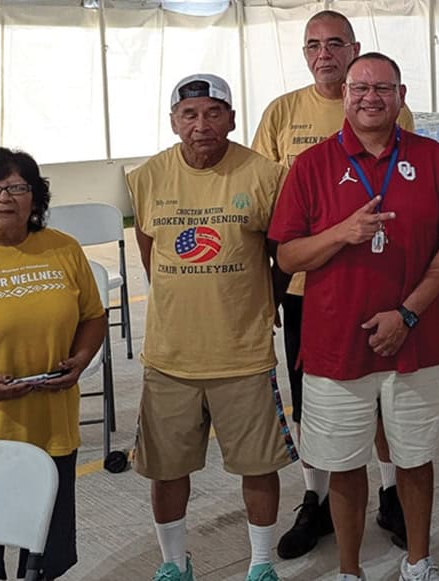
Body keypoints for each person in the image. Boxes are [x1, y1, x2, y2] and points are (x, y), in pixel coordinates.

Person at [269, 53, 439, 581]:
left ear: (401, 95)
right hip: (336, 347)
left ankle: (418, 562)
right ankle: (350, 570)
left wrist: (408, 312)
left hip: (415, 340)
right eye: (361, 88)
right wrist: (342, 233)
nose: (371, 97)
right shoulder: (312, 165)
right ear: (344, 95)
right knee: (343, 463)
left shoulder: (430, 157)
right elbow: (287, 257)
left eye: (383, 87)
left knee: (415, 459)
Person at [250, 8, 417, 558]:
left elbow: (405, 194)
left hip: (376, 282)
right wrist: (271, 285)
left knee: (384, 397)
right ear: (305, 54)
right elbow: (264, 204)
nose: (324, 53)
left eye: (335, 43)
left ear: (353, 48)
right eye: (313, 44)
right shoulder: (281, 113)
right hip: (306, 290)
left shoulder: (392, 107)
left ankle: (391, 492)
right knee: (317, 404)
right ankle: (315, 499)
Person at [127, 74, 297, 581]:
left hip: (242, 353)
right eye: (190, 114)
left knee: (257, 465)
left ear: (232, 118)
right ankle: (174, 563)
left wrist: (261, 307)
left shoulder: (264, 174)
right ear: (174, 122)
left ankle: (261, 565)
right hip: (170, 357)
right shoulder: (147, 177)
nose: (202, 125)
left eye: (213, 113)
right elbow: (149, 252)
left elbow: (281, 256)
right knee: (166, 467)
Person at [0, 147, 107, 580]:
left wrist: (79, 360)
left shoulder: (62, 249)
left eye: (18, 187)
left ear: (35, 199)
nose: (4, 197)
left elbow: (92, 317)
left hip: (49, 431)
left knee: (43, 559)